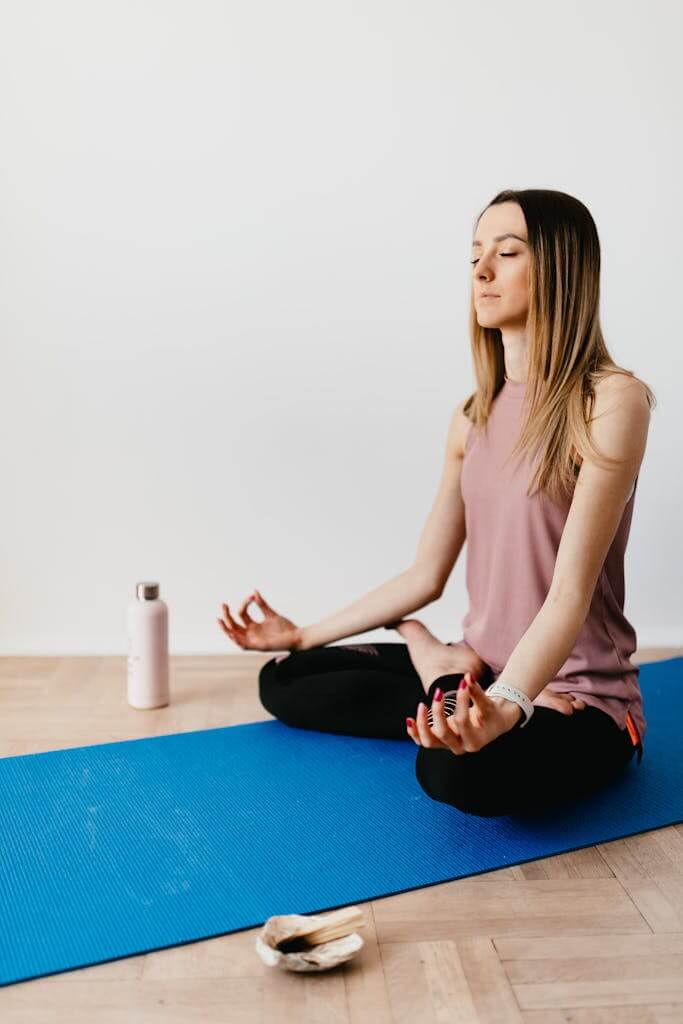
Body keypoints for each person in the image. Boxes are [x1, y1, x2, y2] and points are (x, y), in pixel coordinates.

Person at [217, 188, 656, 818]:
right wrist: (304, 632)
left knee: (454, 769)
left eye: (507, 253)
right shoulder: (473, 416)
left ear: (561, 269)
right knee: (285, 677)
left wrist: (509, 702)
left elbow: (569, 594)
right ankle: (450, 676)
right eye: (476, 255)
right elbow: (426, 576)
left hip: (573, 697)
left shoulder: (611, 402)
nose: (482, 271)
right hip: (486, 671)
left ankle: (441, 674)